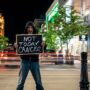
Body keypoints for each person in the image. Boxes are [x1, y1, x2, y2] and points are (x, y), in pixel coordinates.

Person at [14, 21, 44, 90]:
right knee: (21, 82)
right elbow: (17, 47)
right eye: (28, 27)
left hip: (35, 62)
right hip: (24, 62)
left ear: (33, 29)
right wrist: (15, 46)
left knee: (38, 82)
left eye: (31, 28)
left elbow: (42, 48)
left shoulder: (37, 37)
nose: (30, 29)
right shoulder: (21, 38)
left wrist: (43, 45)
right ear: (26, 29)